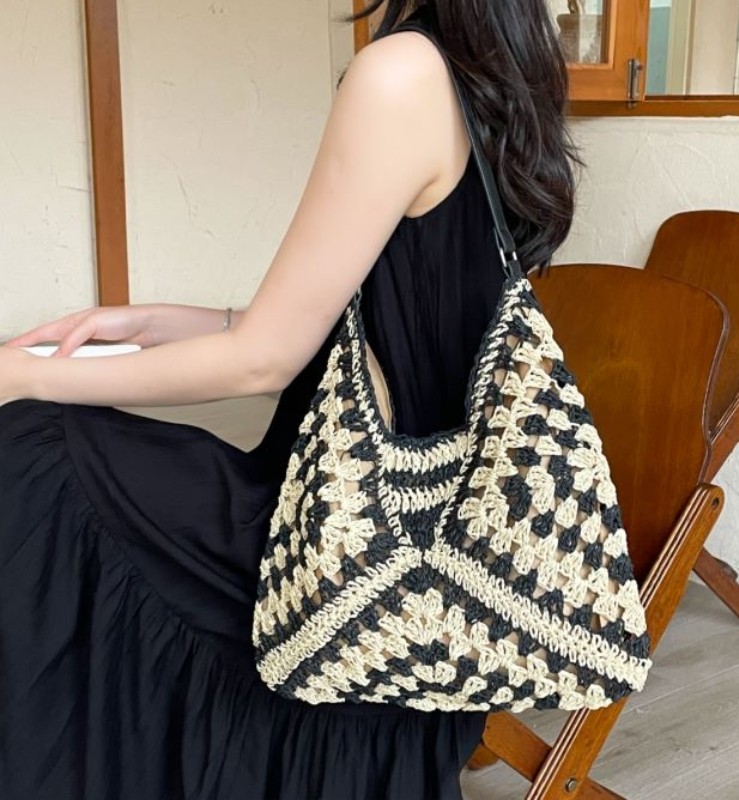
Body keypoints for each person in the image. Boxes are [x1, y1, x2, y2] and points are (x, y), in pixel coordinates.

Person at [0, 2, 581, 798]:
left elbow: (264, 361)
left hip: (347, 555)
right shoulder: (491, 66)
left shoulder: (402, 72)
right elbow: (351, 320)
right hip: (421, 557)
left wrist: (27, 376)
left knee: (36, 449)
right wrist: (156, 321)